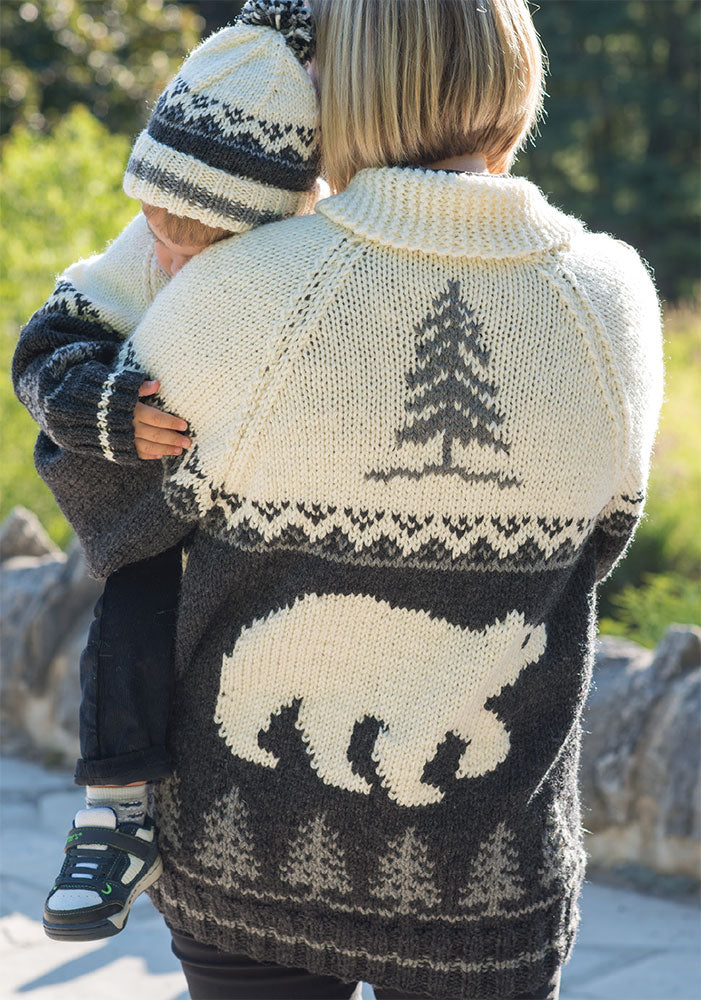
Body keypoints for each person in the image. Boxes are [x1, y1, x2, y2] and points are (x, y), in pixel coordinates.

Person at [16, 1, 665, 998]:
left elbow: (109, 501)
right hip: (487, 870)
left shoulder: (238, 289)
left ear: (340, 88)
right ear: (515, 68)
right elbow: (594, 549)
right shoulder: (611, 299)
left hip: (248, 855)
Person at [12, 0, 319, 943]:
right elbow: (46, 347)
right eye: (158, 223)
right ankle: (116, 807)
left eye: (204, 240)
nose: (174, 254)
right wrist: (99, 407)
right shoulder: (139, 252)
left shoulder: (307, 262)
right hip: (154, 483)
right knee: (131, 605)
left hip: (266, 496)